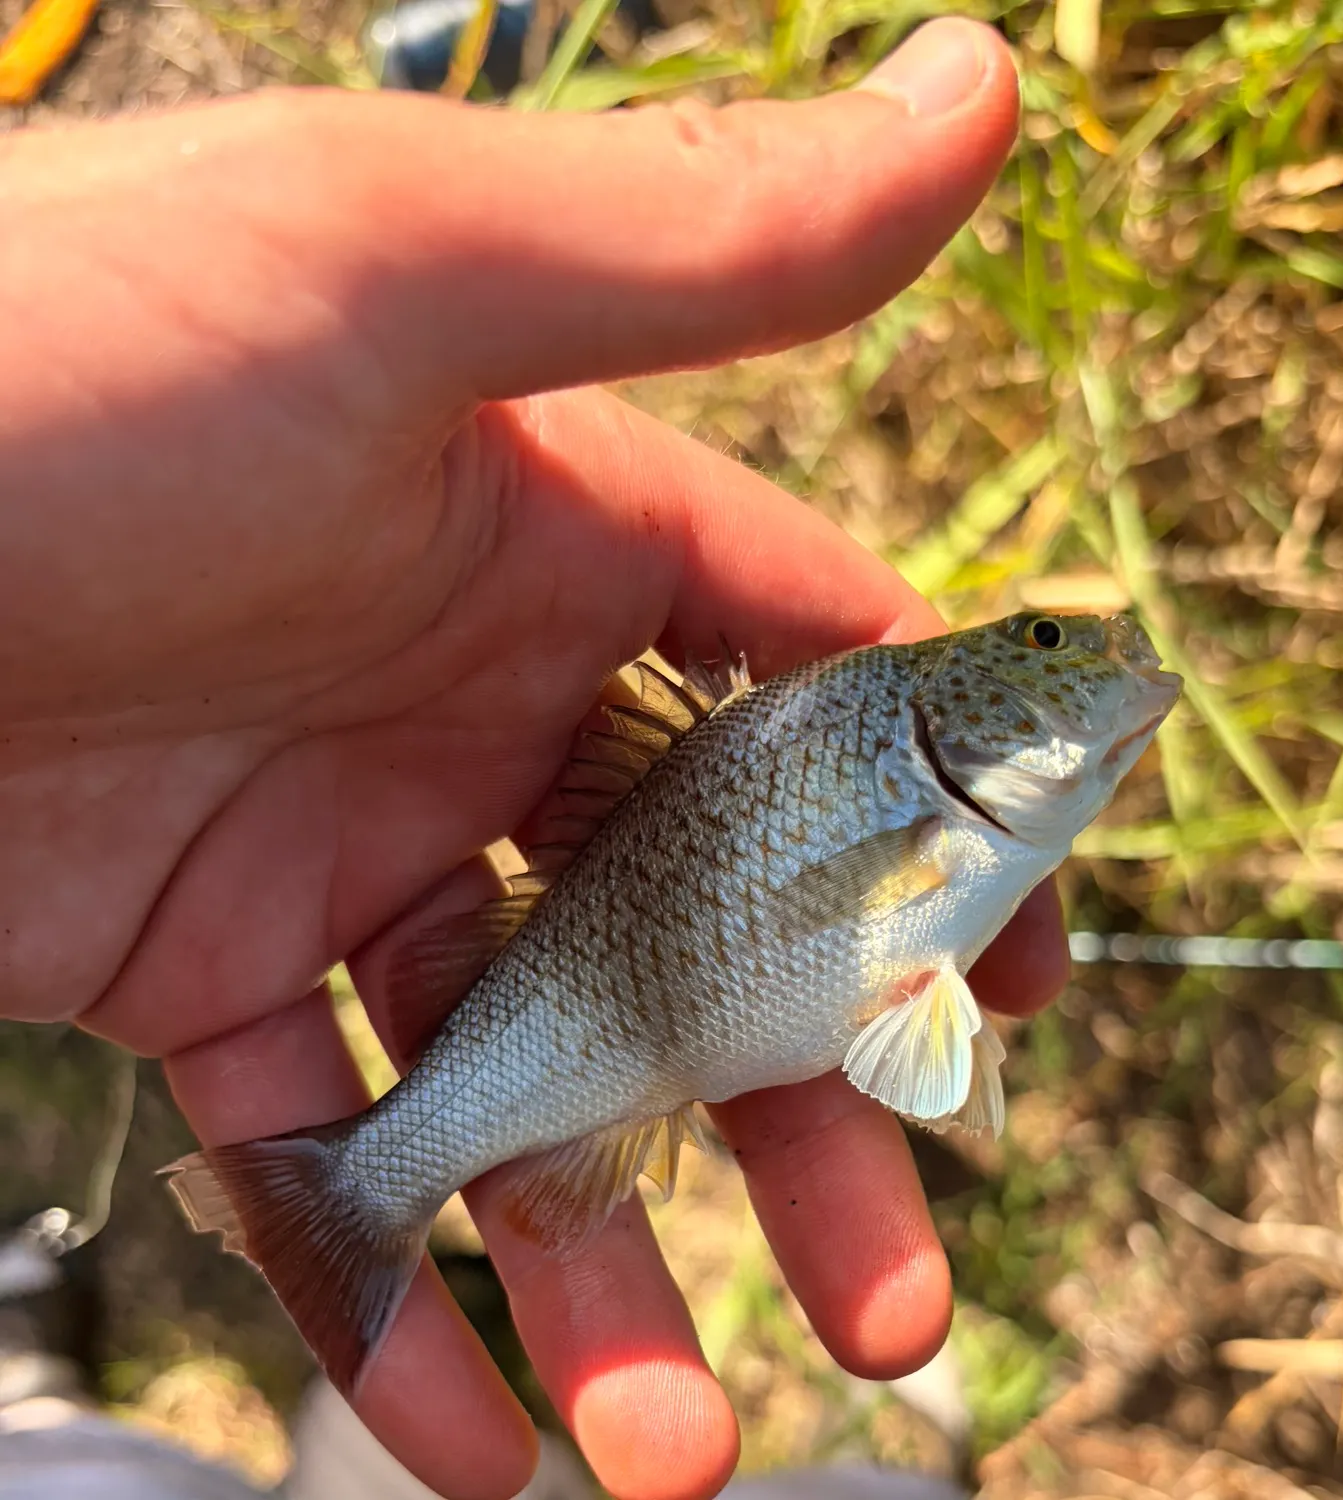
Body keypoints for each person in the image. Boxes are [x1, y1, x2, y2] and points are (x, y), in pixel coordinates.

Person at [0, 19, 1068, 1499]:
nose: (1082, 664)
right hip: (590, 1016)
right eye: (1044, 657)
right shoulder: (923, 783)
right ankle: (342, 1205)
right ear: (963, 722)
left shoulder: (939, 794)